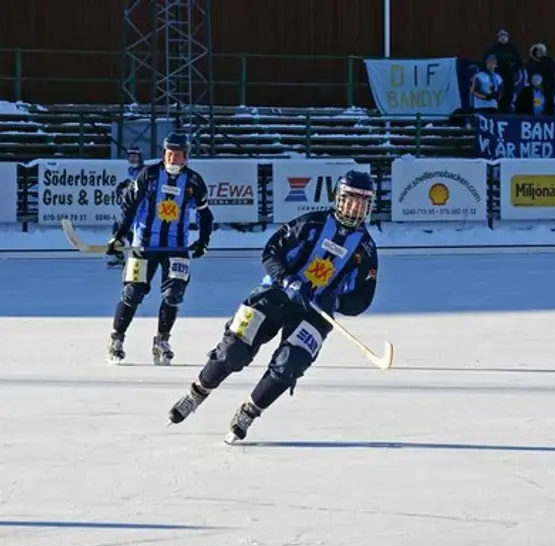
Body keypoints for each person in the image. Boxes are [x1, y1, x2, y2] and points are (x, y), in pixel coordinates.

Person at [167, 169, 379, 444]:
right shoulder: (311, 223)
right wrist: (288, 279)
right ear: (338, 198)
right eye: (350, 199)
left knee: (290, 363)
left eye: (362, 202)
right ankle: (197, 393)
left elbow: (363, 298)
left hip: (316, 311)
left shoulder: (366, 249)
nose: (354, 207)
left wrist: (335, 300)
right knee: (235, 348)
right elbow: (271, 252)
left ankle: (249, 412)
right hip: (277, 293)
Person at [106, 131, 213, 365]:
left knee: (174, 294)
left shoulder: (194, 181)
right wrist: (119, 236)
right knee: (133, 293)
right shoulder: (149, 175)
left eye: (178, 155)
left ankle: (162, 341)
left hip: (176, 247)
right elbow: (129, 207)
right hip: (143, 245)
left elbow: (205, 215)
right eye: (169, 154)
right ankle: (117, 339)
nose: (173, 159)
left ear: (186, 157)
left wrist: (203, 241)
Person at [106, 147, 146, 268]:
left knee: (133, 233)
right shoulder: (131, 170)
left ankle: (139, 258)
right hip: (131, 209)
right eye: (130, 156)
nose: (132, 159)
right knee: (119, 228)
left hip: (140, 210)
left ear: (140, 158)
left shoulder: (143, 171)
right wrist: (123, 186)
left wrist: (126, 189)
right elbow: (130, 183)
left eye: (135, 156)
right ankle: (118, 254)